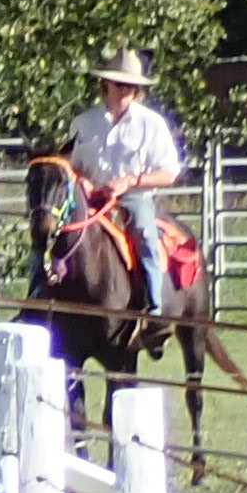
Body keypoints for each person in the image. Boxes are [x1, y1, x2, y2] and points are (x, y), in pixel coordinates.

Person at [69, 48, 185, 317]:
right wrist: (81, 181)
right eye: (118, 84)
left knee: (144, 232)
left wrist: (130, 181)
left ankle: (153, 303)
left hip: (133, 198)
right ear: (105, 84)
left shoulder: (151, 124)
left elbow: (169, 173)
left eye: (131, 86)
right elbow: (70, 166)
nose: (124, 90)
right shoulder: (83, 123)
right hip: (89, 198)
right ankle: (38, 293)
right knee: (52, 231)